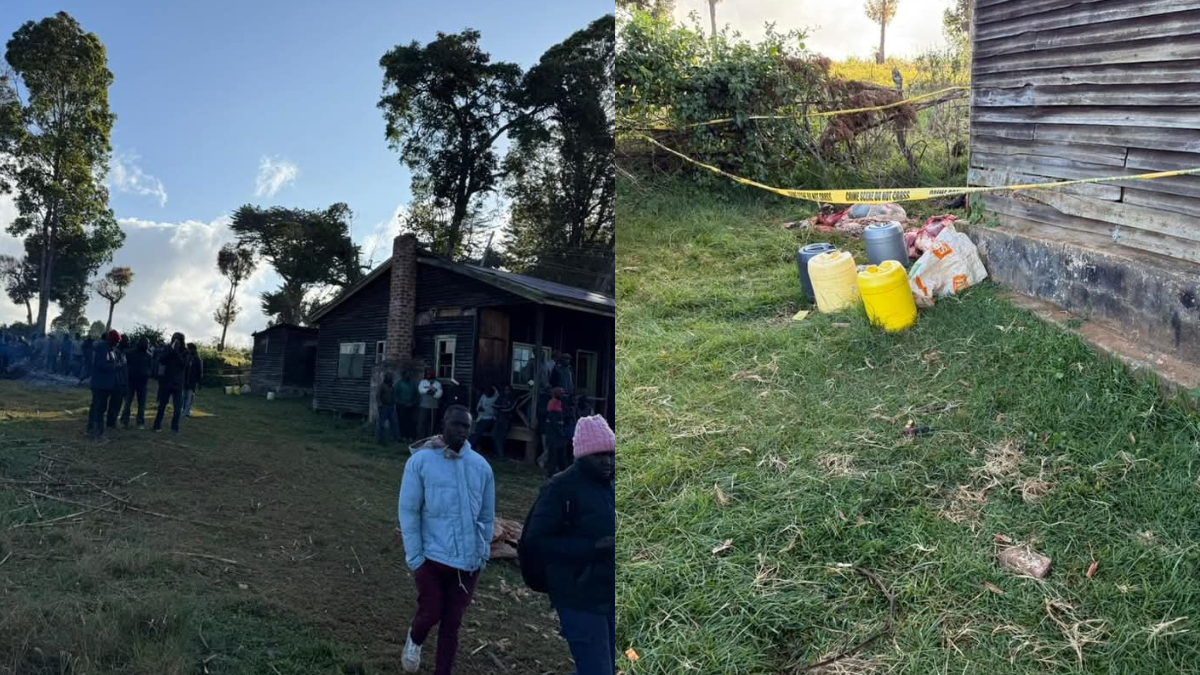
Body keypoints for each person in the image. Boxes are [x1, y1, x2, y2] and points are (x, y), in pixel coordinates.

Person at [398, 405, 495, 675]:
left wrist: (483, 551)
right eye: (456, 424)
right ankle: (415, 639)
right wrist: (415, 557)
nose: (461, 431)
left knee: (452, 623)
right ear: (444, 424)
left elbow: (487, 516)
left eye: (466, 426)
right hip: (431, 558)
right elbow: (409, 511)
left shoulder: (481, 467)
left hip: (468, 564)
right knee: (431, 612)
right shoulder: (421, 463)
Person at [520, 415, 615, 675]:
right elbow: (536, 542)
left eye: (610, 454)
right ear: (583, 456)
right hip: (577, 595)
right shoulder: (559, 489)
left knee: (610, 664)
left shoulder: (611, 485)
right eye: (599, 455)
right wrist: (593, 547)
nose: (607, 461)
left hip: (609, 593)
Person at [87, 330, 120, 442]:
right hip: (99, 384)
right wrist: (115, 366)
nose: (117, 343)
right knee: (98, 408)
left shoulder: (111, 349)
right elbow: (101, 365)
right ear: (111, 340)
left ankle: (95, 431)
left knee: (100, 408)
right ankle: (96, 433)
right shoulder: (102, 348)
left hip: (106, 384)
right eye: (116, 341)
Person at [152, 332, 188, 433]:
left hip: (178, 383)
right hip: (166, 381)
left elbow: (183, 364)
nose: (175, 342)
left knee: (177, 408)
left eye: (177, 340)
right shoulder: (168, 348)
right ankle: (156, 425)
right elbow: (162, 360)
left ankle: (174, 427)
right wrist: (171, 351)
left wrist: (176, 352)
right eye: (174, 339)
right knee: (162, 406)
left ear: (181, 341)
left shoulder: (185, 351)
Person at [122, 336, 152, 429]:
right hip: (133, 381)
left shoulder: (148, 355)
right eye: (146, 344)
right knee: (130, 402)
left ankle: (136, 422)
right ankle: (128, 421)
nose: (147, 345)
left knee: (138, 403)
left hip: (141, 381)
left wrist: (147, 374)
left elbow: (150, 368)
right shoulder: (131, 353)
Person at [105, 334, 130, 431]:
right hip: (117, 382)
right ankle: (110, 423)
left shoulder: (123, 353)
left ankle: (113, 422)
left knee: (118, 404)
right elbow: (116, 367)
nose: (128, 343)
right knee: (114, 404)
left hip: (122, 381)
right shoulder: (116, 352)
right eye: (127, 341)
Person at [543, 387, 568, 477]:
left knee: (561, 455)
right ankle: (550, 473)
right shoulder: (552, 403)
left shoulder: (560, 402)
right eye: (561, 393)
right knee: (553, 455)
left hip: (558, 433)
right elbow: (553, 420)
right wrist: (560, 432)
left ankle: (563, 472)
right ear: (557, 394)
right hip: (553, 434)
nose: (563, 395)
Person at [468, 385, 499, 454]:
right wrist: (479, 409)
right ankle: (473, 447)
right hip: (481, 417)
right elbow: (478, 406)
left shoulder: (496, 398)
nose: (486, 394)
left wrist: (485, 409)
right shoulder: (483, 396)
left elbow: (495, 412)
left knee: (478, 431)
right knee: (473, 429)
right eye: (486, 393)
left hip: (490, 419)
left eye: (488, 393)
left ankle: (470, 446)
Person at [491, 385, 516, 461]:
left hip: (506, 420)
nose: (506, 391)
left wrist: (500, 408)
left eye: (508, 390)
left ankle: (501, 456)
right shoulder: (501, 396)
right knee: (494, 435)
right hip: (498, 418)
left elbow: (510, 408)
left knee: (501, 438)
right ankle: (500, 454)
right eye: (505, 389)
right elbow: (494, 405)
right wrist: (501, 407)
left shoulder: (512, 398)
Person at [417, 370, 443, 441]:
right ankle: (420, 439)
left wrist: (433, 394)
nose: (430, 379)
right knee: (422, 423)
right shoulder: (423, 382)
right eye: (429, 377)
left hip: (433, 407)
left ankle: (429, 439)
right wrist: (427, 391)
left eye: (431, 377)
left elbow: (439, 394)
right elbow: (420, 390)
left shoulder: (437, 384)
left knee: (431, 424)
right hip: (424, 406)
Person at [394, 368, 419, 441]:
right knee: (402, 421)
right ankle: (403, 436)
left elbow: (417, 394)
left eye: (409, 374)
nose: (408, 376)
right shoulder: (398, 383)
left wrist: (413, 403)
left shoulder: (413, 383)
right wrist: (402, 403)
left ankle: (411, 436)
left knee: (411, 421)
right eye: (407, 374)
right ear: (403, 375)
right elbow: (395, 395)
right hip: (401, 406)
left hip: (412, 406)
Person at [377, 371, 400, 445]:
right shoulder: (382, 386)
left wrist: (395, 402)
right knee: (382, 425)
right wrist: (380, 404)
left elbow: (394, 397)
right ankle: (381, 440)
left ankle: (395, 438)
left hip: (391, 407)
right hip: (383, 407)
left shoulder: (392, 387)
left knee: (394, 423)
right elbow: (378, 396)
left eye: (391, 377)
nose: (390, 379)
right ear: (386, 378)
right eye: (389, 377)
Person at [182, 343, 203, 417]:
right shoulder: (186, 357)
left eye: (189, 348)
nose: (188, 350)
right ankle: (183, 410)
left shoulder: (197, 359)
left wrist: (199, 382)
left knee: (189, 398)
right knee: (183, 397)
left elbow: (200, 372)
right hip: (184, 381)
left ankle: (186, 412)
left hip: (192, 382)